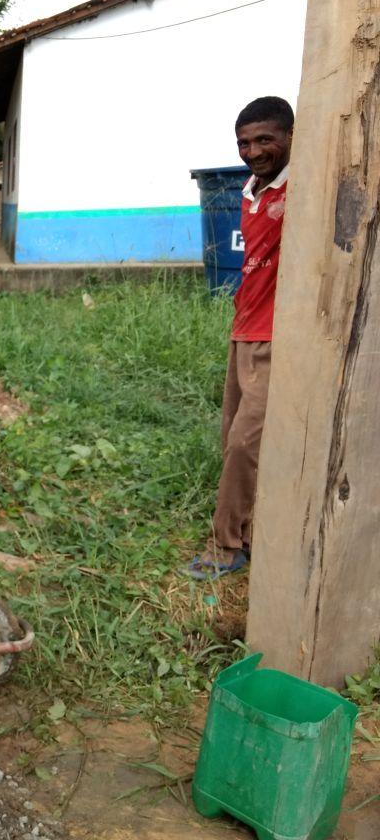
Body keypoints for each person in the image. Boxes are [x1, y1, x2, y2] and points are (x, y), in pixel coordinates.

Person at [188, 96, 293, 579]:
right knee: (231, 434)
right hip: (243, 329)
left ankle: (226, 546)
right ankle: (251, 532)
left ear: (291, 136)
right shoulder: (252, 191)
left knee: (244, 443)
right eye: (245, 143)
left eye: (265, 140)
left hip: (278, 334)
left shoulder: (301, 189)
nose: (253, 151)